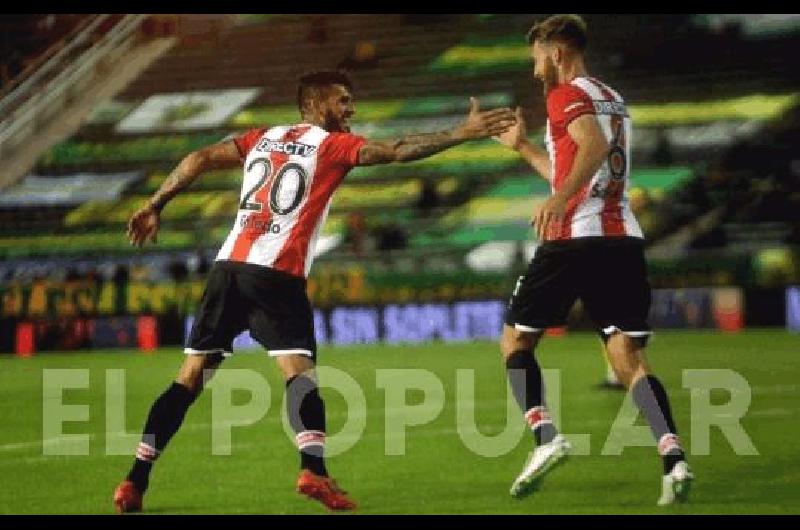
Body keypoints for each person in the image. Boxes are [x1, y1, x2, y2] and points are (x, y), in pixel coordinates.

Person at [114, 70, 515, 513]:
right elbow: (398, 151)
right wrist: (463, 132)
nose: (351, 110)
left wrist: (154, 204)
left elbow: (198, 158)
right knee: (299, 375)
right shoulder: (333, 145)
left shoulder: (262, 138)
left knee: (188, 379)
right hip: (276, 275)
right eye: (344, 101)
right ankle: (314, 472)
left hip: (227, 270)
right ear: (318, 104)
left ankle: (134, 481)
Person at [494, 15, 693, 505]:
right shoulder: (611, 96)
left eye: (538, 56)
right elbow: (582, 161)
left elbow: (593, 147)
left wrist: (561, 199)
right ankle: (674, 459)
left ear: (557, 52)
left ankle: (545, 437)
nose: (535, 67)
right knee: (627, 356)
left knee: (515, 339)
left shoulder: (565, 95)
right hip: (621, 237)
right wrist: (522, 147)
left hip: (575, 238)